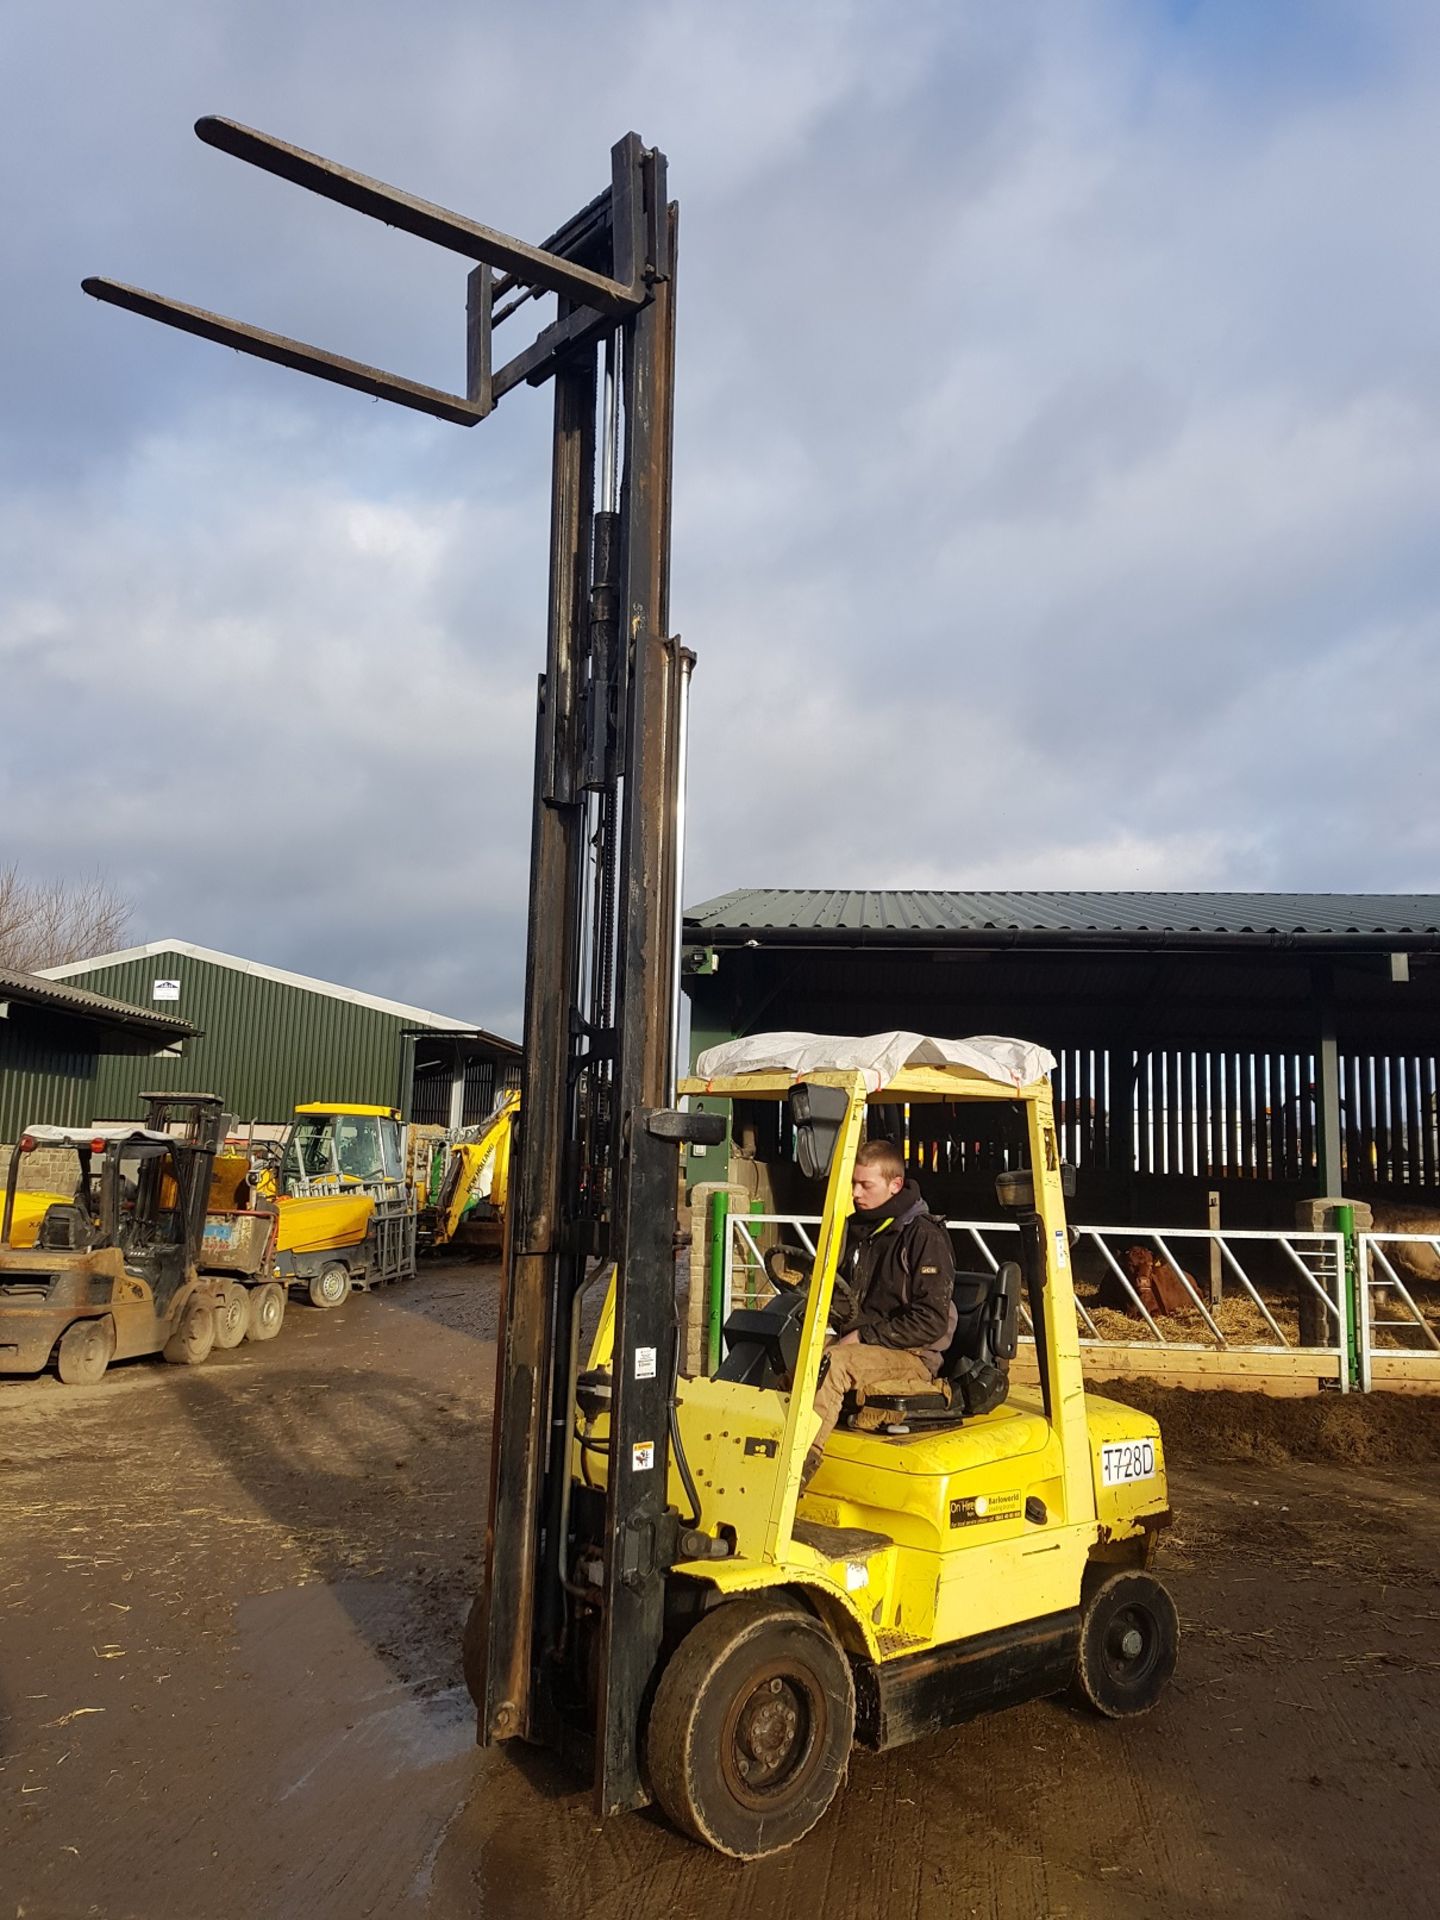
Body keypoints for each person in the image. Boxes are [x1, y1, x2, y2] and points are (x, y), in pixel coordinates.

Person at [804, 1139, 957, 1482]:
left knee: (836, 1363)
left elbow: (931, 1320)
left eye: (865, 1185)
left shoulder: (922, 1236)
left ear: (895, 1184)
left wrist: (863, 1335)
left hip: (912, 1355)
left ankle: (799, 1464)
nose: (856, 1193)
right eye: (853, 1183)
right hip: (865, 1345)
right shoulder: (860, 1230)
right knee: (794, 1354)